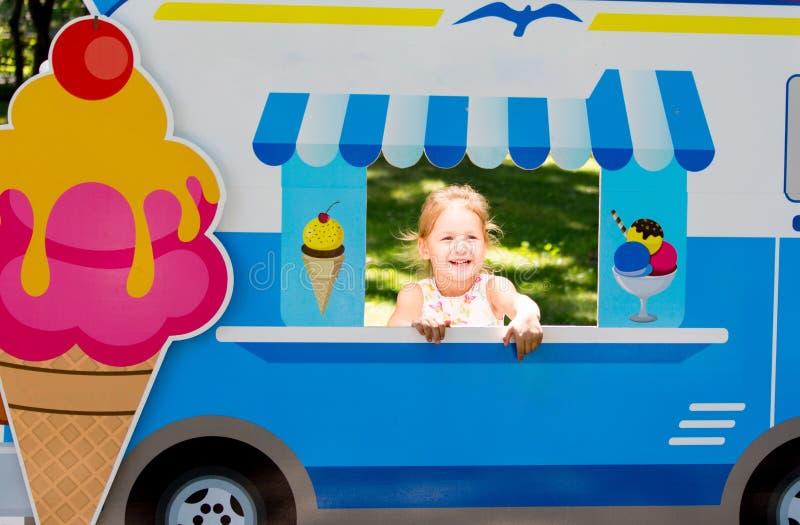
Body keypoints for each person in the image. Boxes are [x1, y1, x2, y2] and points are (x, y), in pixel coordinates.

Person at [387, 184, 543, 360]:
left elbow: (520, 302)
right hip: (432, 382)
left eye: (471, 237)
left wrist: (527, 316)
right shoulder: (415, 294)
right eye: (447, 238)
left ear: (484, 245)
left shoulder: (492, 289)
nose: (461, 247)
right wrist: (416, 326)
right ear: (425, 248)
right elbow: (394, 330)